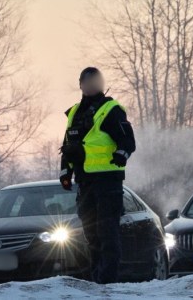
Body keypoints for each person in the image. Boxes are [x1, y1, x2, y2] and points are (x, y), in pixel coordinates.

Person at [59, 66, 136, 284]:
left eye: (95, 82)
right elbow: (68, 146)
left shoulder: (110, 109)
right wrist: (66, 172)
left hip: (108, 181)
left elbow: (128, 140)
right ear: (81, 85)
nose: (91, 86)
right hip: (85, 182)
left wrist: (122, 154)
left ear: (101, 85)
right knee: (91, 235)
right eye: (87, 82)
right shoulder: (74, 113)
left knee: (107, 233)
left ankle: (108, 282)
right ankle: (94, 282)